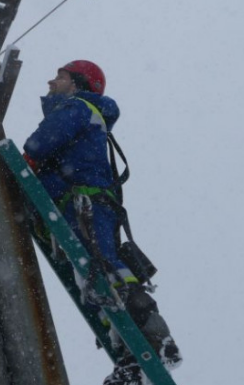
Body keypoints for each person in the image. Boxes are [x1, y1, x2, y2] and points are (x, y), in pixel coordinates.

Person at [23, 60, 181, 385]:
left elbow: (40, 143)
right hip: (88, 204)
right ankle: (132, 356)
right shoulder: (86, 115)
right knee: (97, 276)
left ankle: (152, 341)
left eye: (61, 77)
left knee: (104, 272)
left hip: (84, 204)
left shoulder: (78, 108)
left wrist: (28, 162)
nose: (52, 82)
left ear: (77, 84)